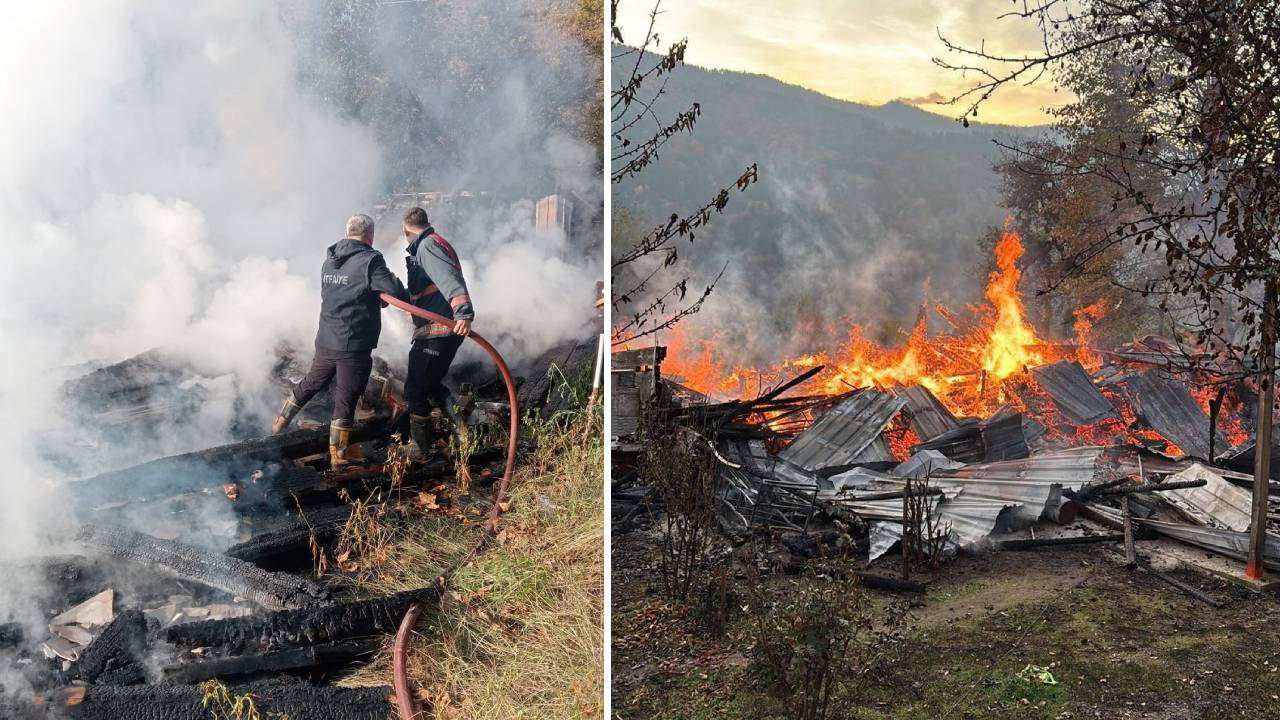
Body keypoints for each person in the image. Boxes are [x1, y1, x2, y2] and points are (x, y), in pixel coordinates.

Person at [271, 214, 409, 468]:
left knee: (312, 382)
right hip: (352, 343)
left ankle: (280, 423)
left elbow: (346, 293)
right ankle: (340, 456)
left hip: (326, 338)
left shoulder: (330, 259)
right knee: (347, 396)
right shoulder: (370, 260)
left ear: (347, 232)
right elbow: (395, 290)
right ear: (370, 235)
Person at [401, 206, 474, 458]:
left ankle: (421, 449)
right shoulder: (431, 243)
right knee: (431, 385)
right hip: (436, 328)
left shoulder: (427, 246)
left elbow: (449, 278)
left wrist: (463, 312)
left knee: (414, 389)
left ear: (405, 230)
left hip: (439, 329)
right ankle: (464, 436)